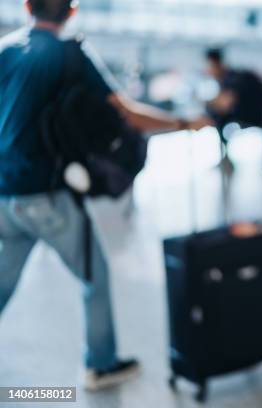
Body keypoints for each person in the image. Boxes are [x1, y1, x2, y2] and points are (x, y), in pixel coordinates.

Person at [0, 0, 209, 391]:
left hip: (4, 192)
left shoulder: (5, 49)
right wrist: (186, 123)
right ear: (72, 12)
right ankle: (101, 364)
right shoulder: (70, 54)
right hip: (44, 193)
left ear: (27, 6)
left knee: (3, 280)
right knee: (94, 277)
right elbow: (128, 115)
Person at [203, 48, 262, 162]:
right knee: (214, 112)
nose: (208, 71)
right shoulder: (231, 77)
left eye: (210, 66)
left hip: (256, 115)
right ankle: (224, 153)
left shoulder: (233, 78)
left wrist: (209, 103)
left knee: (214, 113)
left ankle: (224, 154)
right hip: (257, 113)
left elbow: (226, 103)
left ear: (216, 64)